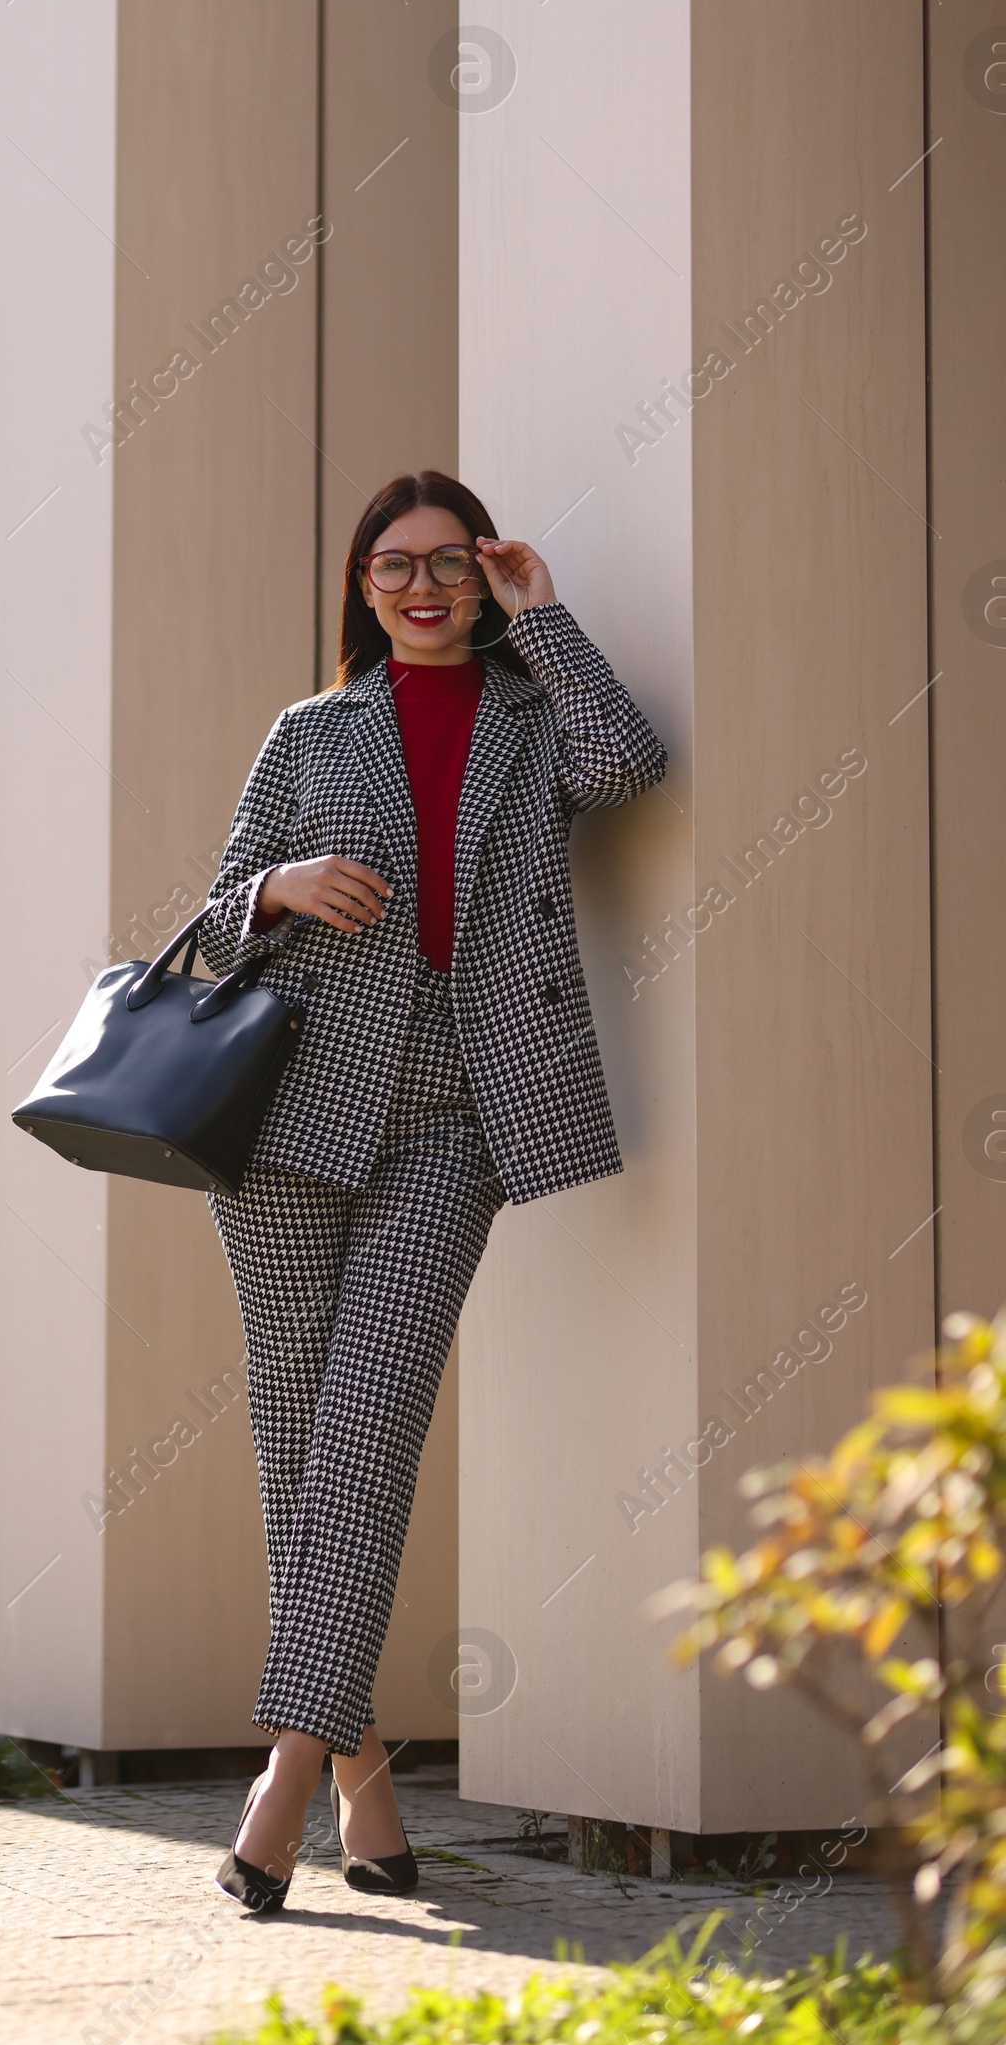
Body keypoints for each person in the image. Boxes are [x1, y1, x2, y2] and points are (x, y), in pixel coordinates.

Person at [197, 469, 667, 1911]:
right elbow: (210, 927)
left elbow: (631, 768)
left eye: (451, 563)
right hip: (287, 1131)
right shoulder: (312, 730)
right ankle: (367, 1785)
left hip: (457, 1123)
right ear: (360, 583)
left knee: (367, 1431)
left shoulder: (538, 720)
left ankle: (283, 1773)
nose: (421, 586)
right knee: (302, 1453)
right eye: (393, 565)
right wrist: (280, 886)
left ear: (485, 574)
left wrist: (553, 618)